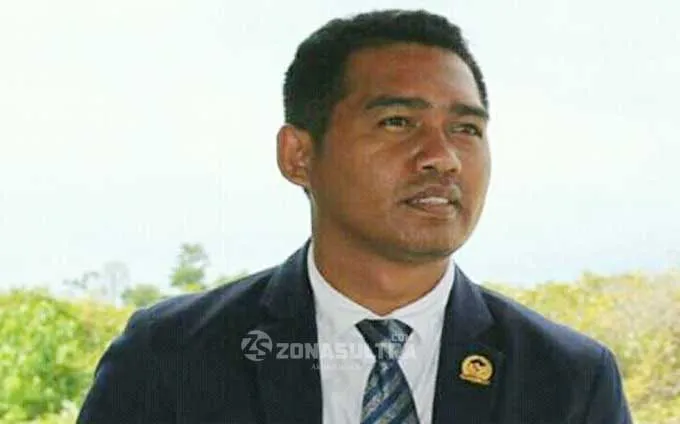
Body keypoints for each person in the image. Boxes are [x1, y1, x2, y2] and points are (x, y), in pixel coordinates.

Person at [77, 9, 632, 424]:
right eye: (398, 122)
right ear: (298, 155)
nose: (443, 157)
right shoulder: (172, 357)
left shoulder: (567, 380)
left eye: (466, 129)